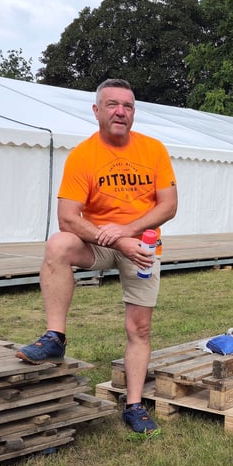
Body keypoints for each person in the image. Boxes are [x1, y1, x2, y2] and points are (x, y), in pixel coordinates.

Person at [16, 79, 178, 434]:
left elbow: (169, 206)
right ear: (97, 110)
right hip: (103, 241)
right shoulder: (83, 156)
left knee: (140, 328)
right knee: (58, 243)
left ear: (134, 112)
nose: (121, 111)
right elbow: (68, 217)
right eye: (112, 105)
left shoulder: (153, 150)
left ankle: (134, 405)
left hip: (143, 246)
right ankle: (55, 337)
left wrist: (128, 232)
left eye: (128, 106)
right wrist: (117, 239)